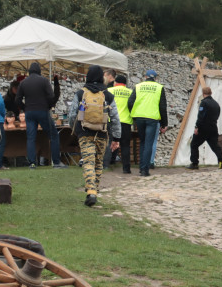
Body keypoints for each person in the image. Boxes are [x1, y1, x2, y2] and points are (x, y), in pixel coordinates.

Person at [70, 65, 120, 207]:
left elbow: (73, 114)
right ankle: (94, 191)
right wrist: (116, 138)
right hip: (102, 134)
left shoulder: (81, 93)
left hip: (85, 133)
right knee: (98, 162)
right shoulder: (108, 95)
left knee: (88, 161)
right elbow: (115, 118)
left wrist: (75, 129)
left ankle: (91, 192)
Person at [15, 62, 64, 168]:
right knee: (54, 135)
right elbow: (51, 97)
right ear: (39, 71)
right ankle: (56, 162)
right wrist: (48, 106)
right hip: (42, 111)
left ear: (29, 71)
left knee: (31, 138)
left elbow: (17, 100)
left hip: (29, 112)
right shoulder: (44, 81)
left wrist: (25, 108)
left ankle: (32, 163)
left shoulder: (23, 83)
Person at [127, 69, 167, 176]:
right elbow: (163, 107)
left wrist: (134, 114)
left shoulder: (138, 86)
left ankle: (141, 167)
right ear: (156, 78)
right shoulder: (159, 88)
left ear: (145, 77)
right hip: (152, 118)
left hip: (139, 117)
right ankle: (145, 169)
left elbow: (130, 102)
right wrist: (164, 124)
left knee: (143, 142)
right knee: (149, 143)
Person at [188, 86, 222, 170]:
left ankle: (194, 163)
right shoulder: (216, 104)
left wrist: (197, 127)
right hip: (213, 127)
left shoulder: (204, 103)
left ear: (203, 94)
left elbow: (201, 116)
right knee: (215, 146)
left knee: (194, 144)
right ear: (211, 93)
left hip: (203, 127)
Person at [109, 74, 134, 173]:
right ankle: (126, 169)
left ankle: (108, 164)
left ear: (115, 82)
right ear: (125, 83)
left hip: (112, 121)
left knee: (110, 143)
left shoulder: (110, 91)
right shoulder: (131, 92)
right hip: (125, 122)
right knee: (125, 145)